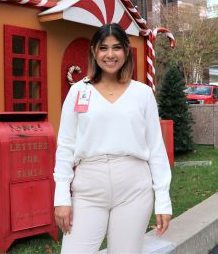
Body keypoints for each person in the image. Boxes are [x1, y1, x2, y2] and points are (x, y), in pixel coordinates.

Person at [53, 23, 172, 254]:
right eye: (103, 48)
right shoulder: (78, 91)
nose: (110, 54)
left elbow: (156, 148)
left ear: (126, 51)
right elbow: (65, 146)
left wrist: (163, 199)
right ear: (93, 52)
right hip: (88, 188)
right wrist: (61, 197)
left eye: (116, 47)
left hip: (134, 188)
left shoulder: (143, 93)